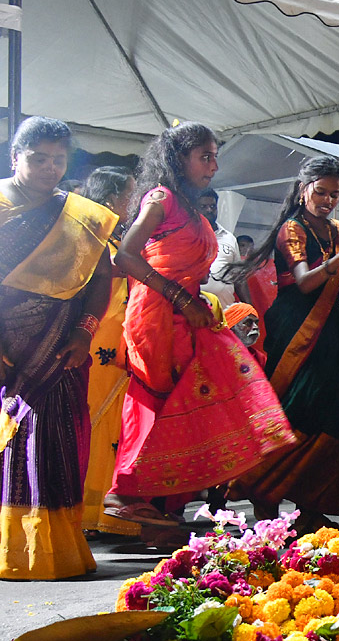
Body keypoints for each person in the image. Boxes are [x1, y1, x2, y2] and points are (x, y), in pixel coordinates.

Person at [106, 122, 293, 527]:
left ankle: (161, 511)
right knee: (160, 400)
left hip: (186, 309)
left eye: (215, 156)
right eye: (204, 156)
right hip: (158, 311)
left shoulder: (191, 206)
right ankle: (127, 491)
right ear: (179, 158)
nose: (213, 165)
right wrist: (179, 299)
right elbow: (125, 256)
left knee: (191, 400)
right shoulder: (161, 198)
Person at [0, 118, 118, 578]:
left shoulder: (82, 215)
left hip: (64, 343)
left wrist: (85, 332)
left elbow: (101, 277)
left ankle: (59, 551)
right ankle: (13, 550)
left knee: (60, 440)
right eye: (38, 159)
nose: (50, 169)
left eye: (58, 160)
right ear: (16, 157)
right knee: (12, 442)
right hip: (10, 346)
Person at [228, 155, 339, 531]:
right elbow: (306, 281)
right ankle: (265, 494)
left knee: (332, 412)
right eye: (320, 192)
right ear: (303, 189)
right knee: (296, 409)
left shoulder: (337, 230)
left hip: (333, 332)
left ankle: (310, 505)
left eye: (334, 194)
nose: (326, 200)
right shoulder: (292, 230)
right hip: (297, 330)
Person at [78, 166, 139, 537]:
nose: (133, 202)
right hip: (98, 339)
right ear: (110, 198)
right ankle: (85, 511)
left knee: (113, 426)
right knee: (94, 422)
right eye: (130, 194)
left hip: (121, 339)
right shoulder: (91, 235)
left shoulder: (118, 237)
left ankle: (105, 511)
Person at [196, 187, 241, 308]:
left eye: (213, 206)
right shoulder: (187, 237)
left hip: (227, 310)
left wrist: (248, 307)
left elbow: (238, 276)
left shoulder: (229, 238)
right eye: (203, 207)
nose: (209, 210)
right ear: (194, 209)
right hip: (197, 312)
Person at [224, 301, 266, 366]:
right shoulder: (220, 358)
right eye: (248, 323)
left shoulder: (259, 358)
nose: (255, 327)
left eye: (256, 323)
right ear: (232, 328)